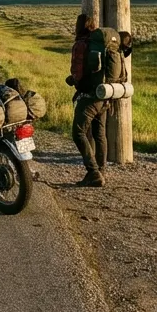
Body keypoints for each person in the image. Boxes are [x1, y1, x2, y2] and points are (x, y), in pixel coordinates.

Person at [66, 12, 107, 187]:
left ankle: (93, 172)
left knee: (78, 132)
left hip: (88, 96)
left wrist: (72, 80)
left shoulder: (81, 45)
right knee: (99, 134)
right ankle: (101, 170)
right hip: (104, 95)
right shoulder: (100, 44)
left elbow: (77, 74)